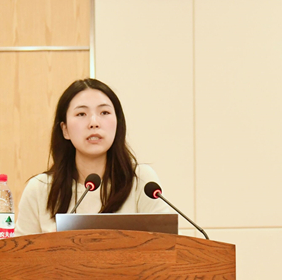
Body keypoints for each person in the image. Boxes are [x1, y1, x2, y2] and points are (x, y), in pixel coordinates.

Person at [15, 78, 171, 236]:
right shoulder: (39, 189)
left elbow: (166, 244)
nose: (94, 123)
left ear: (117, 123)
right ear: (65, 130)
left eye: (104, 113)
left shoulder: (142, 181)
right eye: (81, 114)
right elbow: (20, 251)